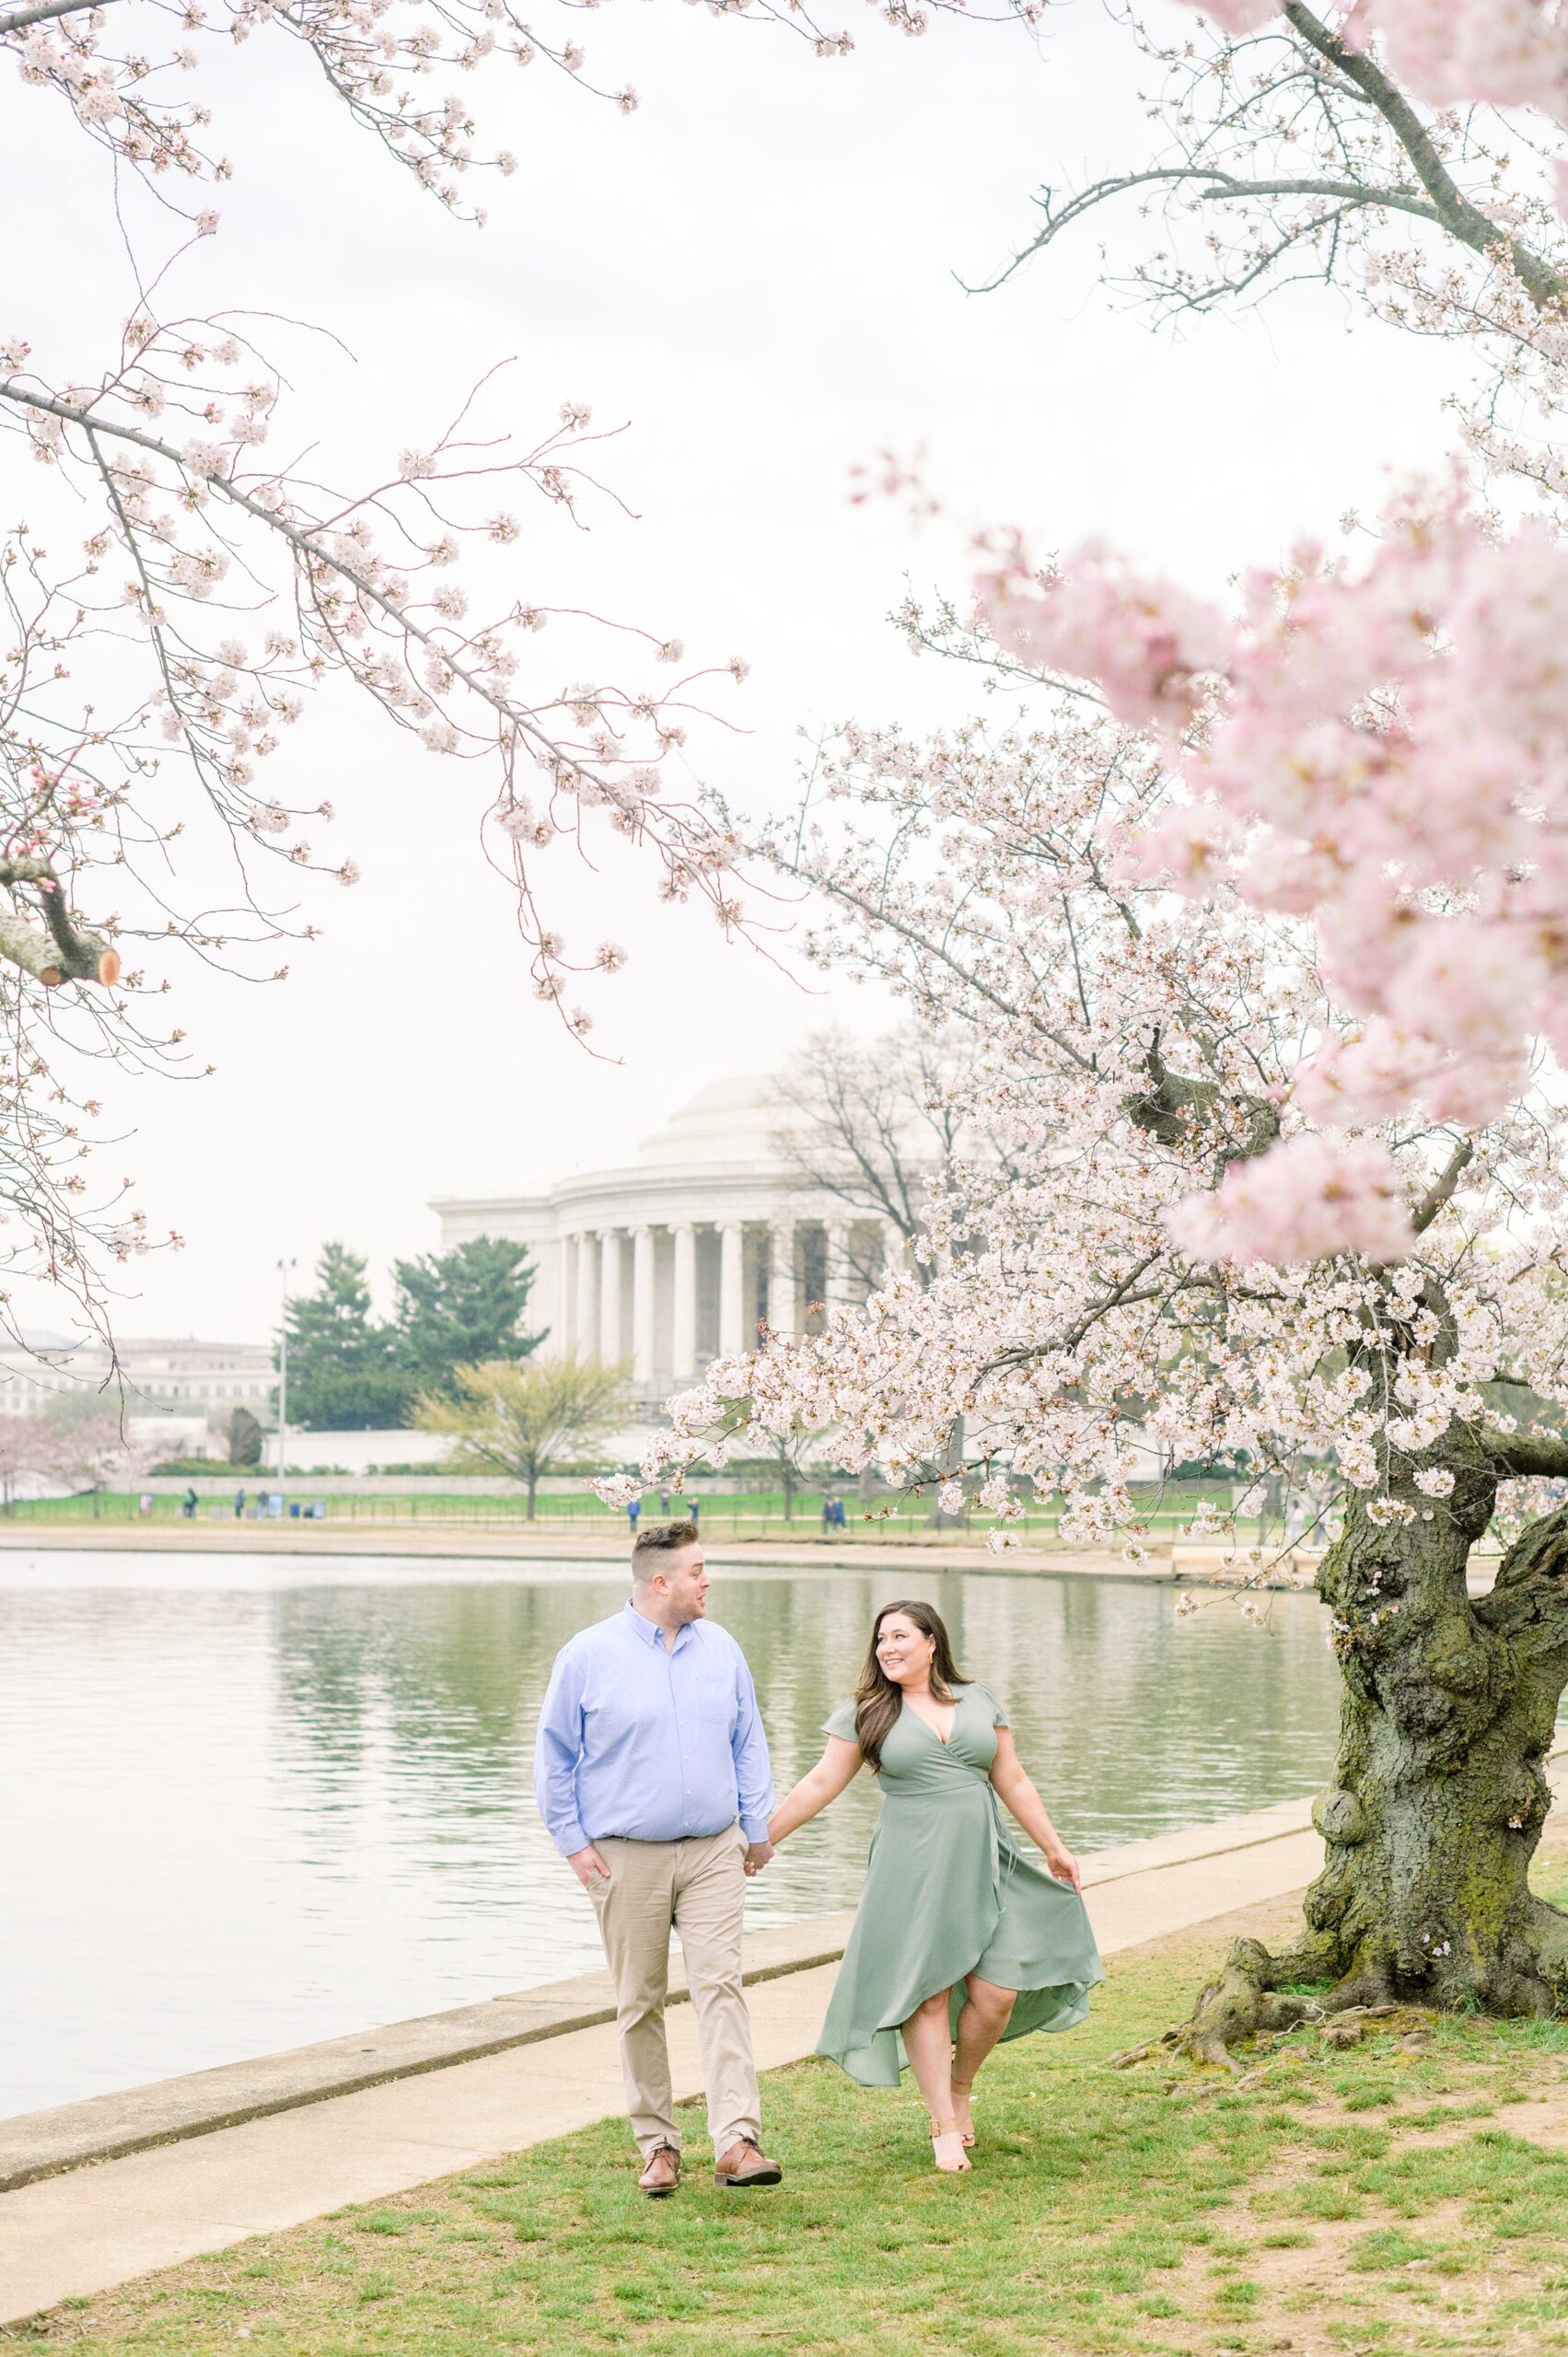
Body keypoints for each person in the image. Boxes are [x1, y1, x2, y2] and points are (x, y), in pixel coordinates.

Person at [767, 1597, 1103, 2175]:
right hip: (912, 1864)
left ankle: (959, 2086)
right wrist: (764, 1838)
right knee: (930, 1991)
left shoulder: (979, 1700)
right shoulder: (867, 1711)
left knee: (996, 1993)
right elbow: (822, 1781)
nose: (888, 1648)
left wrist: (1053, 1846)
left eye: (899, 1636)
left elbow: (1013, 1779)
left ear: (931, 1642)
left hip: (984, 1855)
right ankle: (943, 2123)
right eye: (880, 1640)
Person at [534, 1520, 782, 2199]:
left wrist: (754, 1829)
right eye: (698, 1570)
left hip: (711, 1852)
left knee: (720, 1987)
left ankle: (735, 2139)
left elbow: (748, 1740)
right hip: (623, 1858)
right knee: (638, 2001)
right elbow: (554, 1755)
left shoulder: (722, 1648)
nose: (709, 1581)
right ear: (659, 1581)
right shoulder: (588, 1654)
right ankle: (658, 2146)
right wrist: (574, 1845)